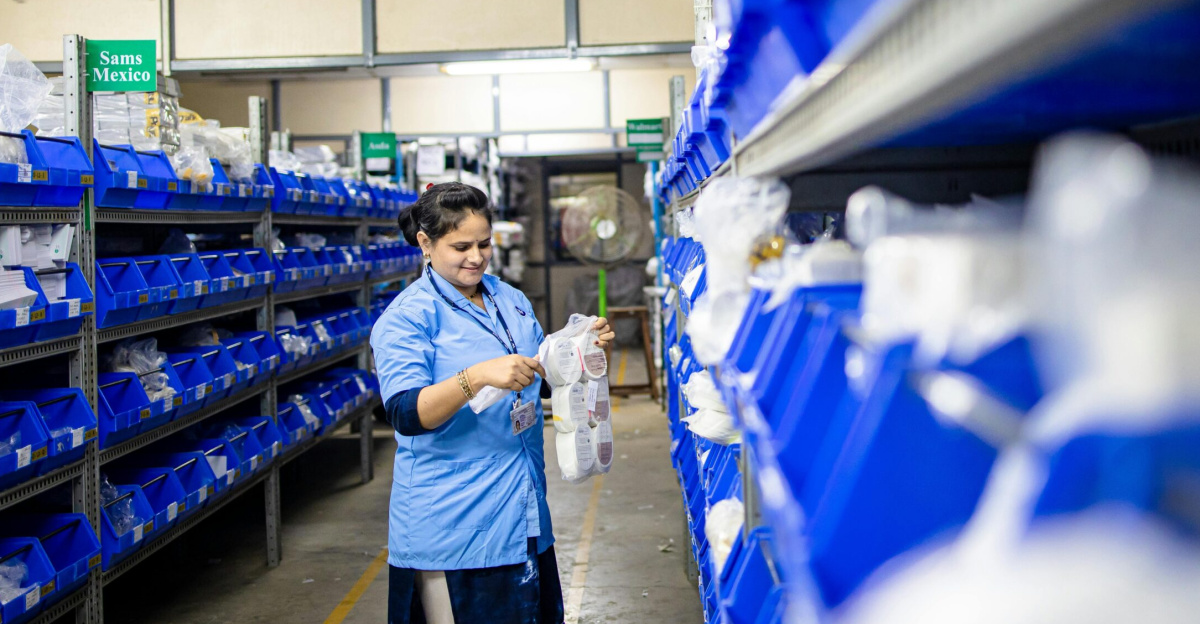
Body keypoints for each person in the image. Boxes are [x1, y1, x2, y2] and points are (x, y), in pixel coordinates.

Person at [370, 182, 615, 624]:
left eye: (485, 244)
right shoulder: (407, 318)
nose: (477, 257)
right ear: (425, 243)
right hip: (455, 524)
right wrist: (476, 376)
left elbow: (542, 380)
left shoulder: (508, 298)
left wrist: (582, 351)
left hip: (521, 509)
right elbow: (407, 413)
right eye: (461, 246)